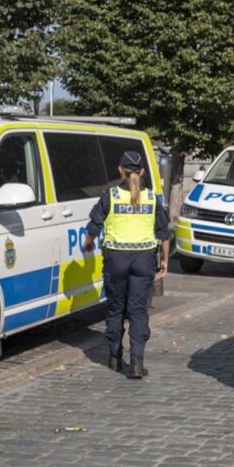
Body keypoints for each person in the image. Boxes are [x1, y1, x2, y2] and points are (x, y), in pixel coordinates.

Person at [84, 150, 169, 379]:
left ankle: (114, 357)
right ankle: (137, 362)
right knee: (138, 312)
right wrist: (165, 262)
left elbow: (94, 225)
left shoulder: (110, 196)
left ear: (119, 170)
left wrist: (88, 244)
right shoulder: (151, 198)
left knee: (115, 309)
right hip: (143, 261)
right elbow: (163, 233)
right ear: (142, 172)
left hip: (116, 260)